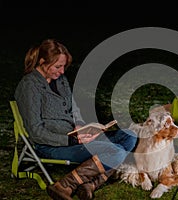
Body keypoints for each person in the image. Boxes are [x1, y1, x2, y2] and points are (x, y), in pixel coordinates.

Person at [14, 39, 137, 200]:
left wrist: (80, 125)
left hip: (75, 135)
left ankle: (89, 184)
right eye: (58, 66)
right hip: (52, 145)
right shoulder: (29, 86)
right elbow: (36, 132)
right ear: (43, 62)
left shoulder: (61, 80)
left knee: (130, 136)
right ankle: (64, 185)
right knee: (116, 151)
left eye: (64, 66)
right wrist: (72, 139)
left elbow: (74, 109)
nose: (62, 71)